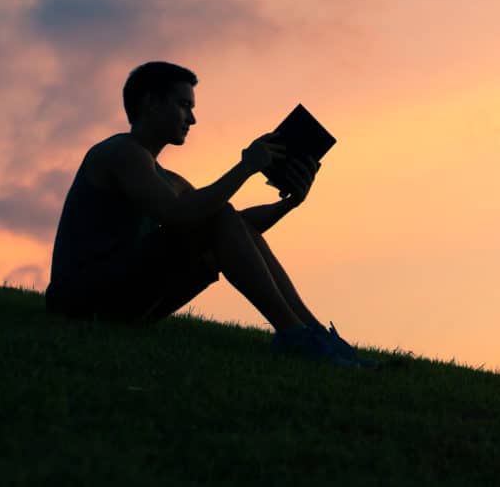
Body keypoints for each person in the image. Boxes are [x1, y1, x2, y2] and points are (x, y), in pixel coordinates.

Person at [44, 61, 373, 368]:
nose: (192, 119)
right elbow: (178, 215)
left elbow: (233, 229)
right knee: (217, 213)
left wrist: (288, 204)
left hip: (117, 300)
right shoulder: (122, 153)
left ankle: (315, 336)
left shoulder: (166, 178)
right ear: (150, 102)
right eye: (183, 105)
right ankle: (295, 336)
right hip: (82, 301)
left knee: (221, 214)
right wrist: (244, 168)